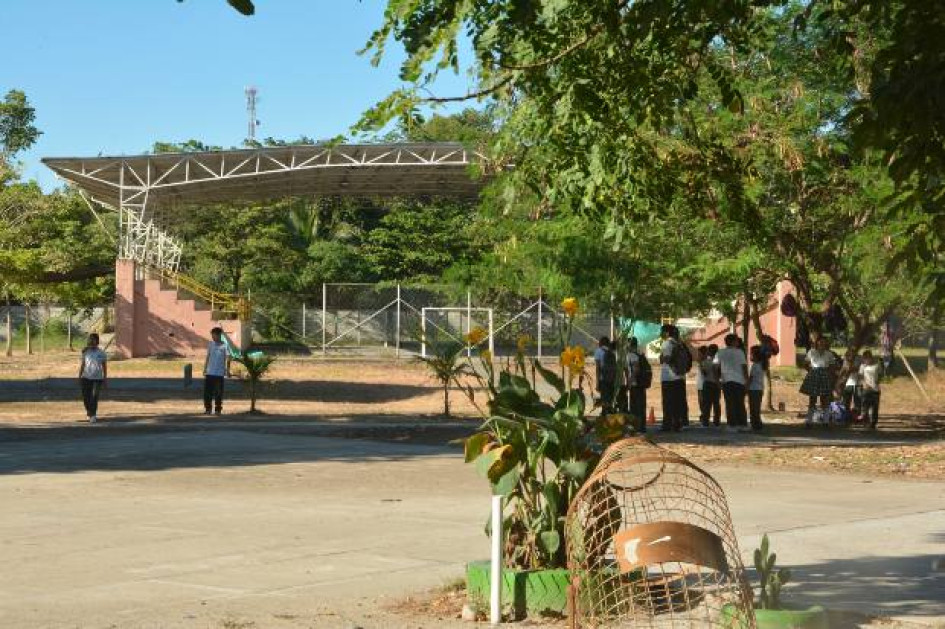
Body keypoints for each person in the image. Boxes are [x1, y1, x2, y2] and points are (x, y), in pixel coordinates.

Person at [800, 336, 836, 427]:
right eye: (820, 342)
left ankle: (825, 421)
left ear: (826, 343)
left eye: (824, 342)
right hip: (814, 375)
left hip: (824, 376)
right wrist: (811, 371)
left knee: (825, 399)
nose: (822, 343)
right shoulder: (811, 352)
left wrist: (828, 375)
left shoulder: (829, 354)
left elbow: (832, 366)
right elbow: (805, 363)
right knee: (812, 399)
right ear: (817, 343)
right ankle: (809, 421)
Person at [715, 333, 748, 430]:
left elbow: (715, 367)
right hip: (739, 380)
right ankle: (742, 424)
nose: (738, 342)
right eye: (736, 340)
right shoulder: (740, 352)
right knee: (740, 403)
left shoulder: (720, 352)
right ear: (733, 342)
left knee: (729, 403)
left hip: (726, 380)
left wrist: (717, 380)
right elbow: (744, 367)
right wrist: (746, 380)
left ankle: (731, 424)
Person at [659, 324, 688, 431]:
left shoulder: (667, 343)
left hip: (669, 377)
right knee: (678, 402)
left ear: (667, 333)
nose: (661, 334)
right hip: (680, 376)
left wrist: (661, 358)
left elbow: (666, 359)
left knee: (668, 402)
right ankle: (677, 424)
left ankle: (667, 425)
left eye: (662, 331)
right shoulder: (680, 344)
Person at [78, 333, 107, 423]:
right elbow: (83, 364)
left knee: (94, 397)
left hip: (97, 379)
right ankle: (89, 412)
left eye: (93, 339)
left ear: (97, 341)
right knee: (86, 397)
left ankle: (93, 415)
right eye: (90, 339)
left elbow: (104, 366)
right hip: (86, 378)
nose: (91, 341)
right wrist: (79, 376)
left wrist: (105, 378)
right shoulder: (85, 352)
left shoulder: (101, 353)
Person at [203, 327, 231, 416]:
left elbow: (228, 358)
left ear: (219, 335)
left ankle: (218, 410)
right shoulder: (210, 344)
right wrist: (205, 369)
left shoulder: (225, 345)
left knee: (218, 393)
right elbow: (208, 357)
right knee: (207, 393)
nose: (212, 337)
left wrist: (228, 370)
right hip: (210, 372)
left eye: (214, 335)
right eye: (212, 335)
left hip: (219, 373)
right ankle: (208, 409)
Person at [626, 336, 650, 432]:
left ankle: (637, 426)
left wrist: (629, 382)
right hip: (641, 383)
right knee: (641, 405)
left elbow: (636, 369)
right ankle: (641, 426)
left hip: (635, 384)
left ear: (629, 344)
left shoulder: (631, 355)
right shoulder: (639, 354)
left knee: (635, 406)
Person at [699, 344, 722, 427]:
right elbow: (720, 373)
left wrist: (701, 365)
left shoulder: (705, 362)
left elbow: (704, 373)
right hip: (716, 384)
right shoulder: (719, 362)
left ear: (709, 352)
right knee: (716, 403)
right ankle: (717, 421)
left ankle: (705, 421)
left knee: (706, 403)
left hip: (707, 383)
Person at [859, 350, 882, 429]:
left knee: (875, 406)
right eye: (865, 358)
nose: (867, 359)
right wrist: (864, 384)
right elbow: (860, 376)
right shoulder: (862, 366)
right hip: (866, 388)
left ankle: (873, 423)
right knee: (865, 406)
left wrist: (877, 382)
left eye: (869, 357)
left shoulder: (877, 365)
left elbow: (880, 375)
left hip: (875, 388)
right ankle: (865, 422)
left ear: (871, 357)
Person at [748, 345, 766, 431]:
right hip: (759, 388)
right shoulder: (762, 365)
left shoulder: (755, 365)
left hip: (753, 389)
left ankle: (756, 424)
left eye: (751, 354)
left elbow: (751, 378)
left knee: (753, 408)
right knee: (756, 408)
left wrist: (746, 387)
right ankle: (756, 424)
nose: (750, 355)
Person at [840, 349, 861, 420]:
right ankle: (846, 417)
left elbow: (859, 369)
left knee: (857, 401)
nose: (852, 353)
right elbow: (844, 370)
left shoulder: (859, 358)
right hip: (848, 383)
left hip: (858, 383)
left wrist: (851, 369)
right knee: (846, 401)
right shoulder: (845, 359)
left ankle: (856, 417)